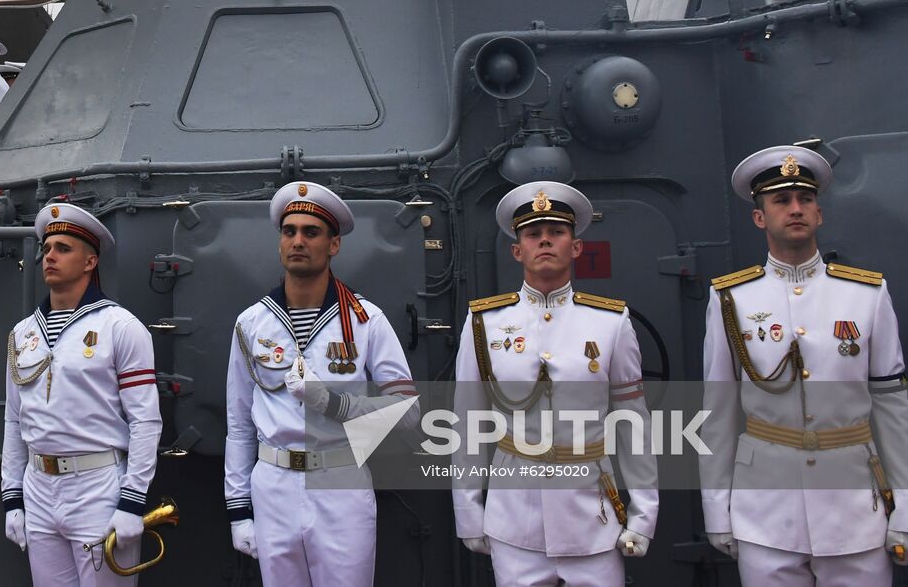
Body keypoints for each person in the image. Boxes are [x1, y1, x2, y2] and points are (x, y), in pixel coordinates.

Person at [700, 146, 908, 585]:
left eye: (805, 200)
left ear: (819, 214)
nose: (796, 209)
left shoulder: (866, 294)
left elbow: (893, 406)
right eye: (781, 201)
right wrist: (717, 509)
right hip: (765, 511)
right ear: (760, 218)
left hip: (855, 510)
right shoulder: (731, 298)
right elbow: (718, 411)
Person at [452, 181, 658, 586]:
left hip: (593, 518)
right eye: (532, 234)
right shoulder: (483, 324)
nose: (544, 240)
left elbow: (633, 422)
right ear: (517, 251)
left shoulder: (611, 323)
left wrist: (643, 514)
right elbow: (466, 424)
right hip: (513, 520)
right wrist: (469, 510)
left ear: (575, 247)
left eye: (557, 232)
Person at [225, 181, 418, 587]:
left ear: (334, 245)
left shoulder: (366, 320)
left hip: (340, 480)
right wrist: (239, 508)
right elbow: (239, 422)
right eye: (288, 231)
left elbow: (408, 411)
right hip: (273, 482)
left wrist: (334, 403)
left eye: (311, 232)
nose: (297, 241)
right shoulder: (250, 323)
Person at [1, 203, 161, 585]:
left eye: (63, 248)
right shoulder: (23, 333)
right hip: (39, 485)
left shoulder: (119, 326)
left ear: (90, 262)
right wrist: (12, 495)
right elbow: (13, 418)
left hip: (97, 484)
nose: (50, 256)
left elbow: (146, 420)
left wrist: (132, 498)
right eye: (47, 248)